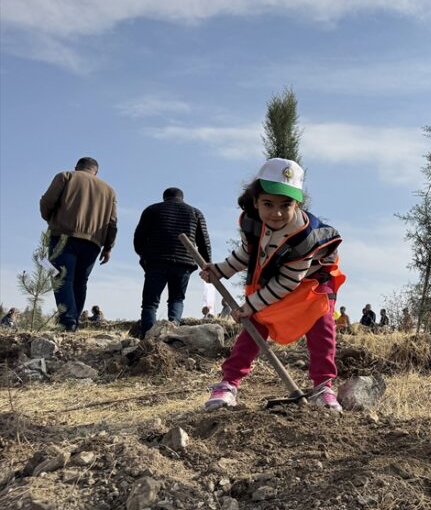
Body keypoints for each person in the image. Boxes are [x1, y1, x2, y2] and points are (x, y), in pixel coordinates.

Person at [199, 158, 345, 412]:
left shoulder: (305, 237)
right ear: (255, 201)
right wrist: (221, 270)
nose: (276, 213)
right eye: (268, 204)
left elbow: (289, 280)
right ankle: (228, 384)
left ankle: (323, 387)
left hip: (313, 280)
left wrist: (252, 304)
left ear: (297, 204)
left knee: (321, 324)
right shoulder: (251, 222)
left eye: (285, 205)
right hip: (279, 280)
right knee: (255, 323)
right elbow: (248, 253)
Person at [39, 157, 118, 332]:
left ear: (77, 167)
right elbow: (112, 223)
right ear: (96, 172)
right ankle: (73, 322)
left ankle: (68, 321)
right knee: (80, 282)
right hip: (93, 243)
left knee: (61, 278)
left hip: (63, 236)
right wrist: (108, 247)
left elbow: (47, 202)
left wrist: (51, 219)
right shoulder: (109, 191)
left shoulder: (66, 176)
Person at [133, 187, 212, 338]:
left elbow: (139, 238)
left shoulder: (151, 210)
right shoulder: (195, 213)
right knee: (177, 299)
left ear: (164, 197)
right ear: (182, 198)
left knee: (150, 303)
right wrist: (207, 264)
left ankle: (148, 337)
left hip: (156, 261)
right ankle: (172, 333)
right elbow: (204, 242)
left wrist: (144, 256)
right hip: (184, 263)